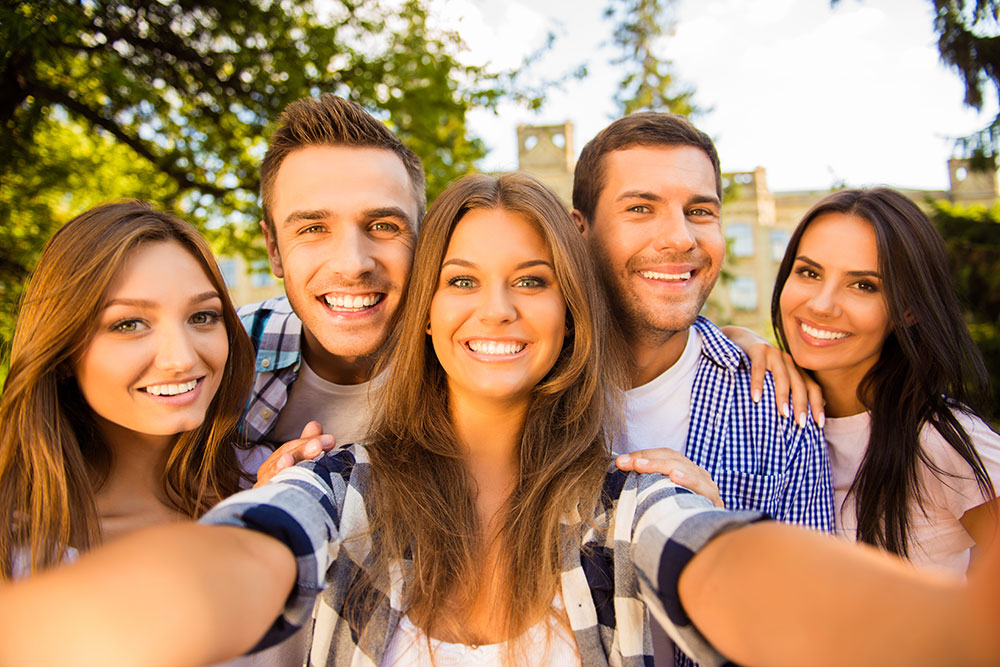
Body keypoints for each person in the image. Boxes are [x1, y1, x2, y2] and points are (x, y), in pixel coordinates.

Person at [2, 173, 999, 667]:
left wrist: (947, 628)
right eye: (464, 280)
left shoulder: (633, 503)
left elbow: (735, 567)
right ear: (426, 308)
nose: (498, 310)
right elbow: (233, 562)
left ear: (570, 312)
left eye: (531, 280)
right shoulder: (337, 484)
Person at [0, 200, 256, 581]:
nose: (181, 359)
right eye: (129, 324)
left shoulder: (267, 481)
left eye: (202, 317)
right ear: (64, 352)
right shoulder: (18, 546)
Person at [770, 187, 999, 574]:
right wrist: (743, 340)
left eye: (864, 285)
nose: (822, 304)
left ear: (907, 310)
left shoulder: (938, 439)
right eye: (809, 272)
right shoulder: (763, 412)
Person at [240, 93, 424, 466]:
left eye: (384, 225)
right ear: (274, 249)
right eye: (313, 228)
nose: (353, 264)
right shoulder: (225, 356)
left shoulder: (473, 353)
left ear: (423, 238)